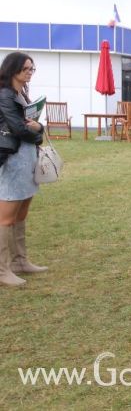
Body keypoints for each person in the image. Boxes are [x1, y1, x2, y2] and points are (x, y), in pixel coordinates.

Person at [0, 52, 46, 287]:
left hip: (26, 158)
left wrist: (39, 128)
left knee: (21, 213)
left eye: (32, 69)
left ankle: (20, 261)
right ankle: (2, 270)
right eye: (26, 68)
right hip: (12, 160)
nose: (29, 72)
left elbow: (31, 124)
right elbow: (18, 128)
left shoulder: (21, 93)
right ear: (13, 69)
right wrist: (38, 132)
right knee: (6, 218)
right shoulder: (5, 95)